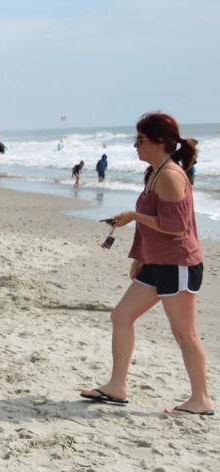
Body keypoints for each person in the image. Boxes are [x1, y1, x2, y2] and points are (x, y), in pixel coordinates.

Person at [81, 112, 211, 416]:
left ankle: (201, 400)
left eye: (140, 140)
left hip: (178, 264)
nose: (135, 145)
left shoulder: (168, 175)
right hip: (158, 262)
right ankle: (117, 386)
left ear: (159, 142)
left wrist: (134, 216)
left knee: (185, 334)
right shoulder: (156, 171)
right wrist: (141, 256)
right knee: (122, 316)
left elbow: (175, 226)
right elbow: (156, 225)